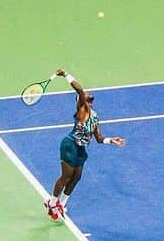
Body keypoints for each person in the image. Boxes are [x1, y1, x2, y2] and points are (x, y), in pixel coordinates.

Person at [45, 69, 125, 221]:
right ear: (81, 101)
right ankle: (52, 202)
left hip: (81, 149)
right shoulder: (82, 109)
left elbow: (99, 138)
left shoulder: (95, 117)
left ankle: (61, 204)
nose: (88, 94)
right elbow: (79, 89)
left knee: (76, 177)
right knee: (66, 176)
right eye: (86, 95)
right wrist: (66, 75)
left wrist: (111, 140)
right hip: (70, 145)